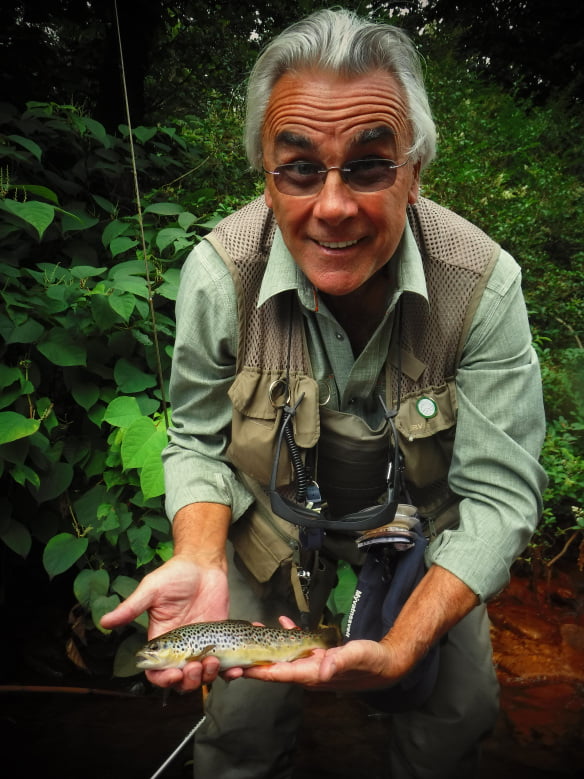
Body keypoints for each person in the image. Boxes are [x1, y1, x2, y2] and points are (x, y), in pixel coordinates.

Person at [102, 8, 547, 778]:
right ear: (266, 181)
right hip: (267, 535)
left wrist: (406, 644)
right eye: (300, 167)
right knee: (238, 731)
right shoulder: (220, 275)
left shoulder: (482, 284)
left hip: (420, 536)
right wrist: (201, 554)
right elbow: (198, 441)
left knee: (457, 718)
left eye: (370, 165)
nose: (333, 204)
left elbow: (501, 497)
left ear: (415, 173)